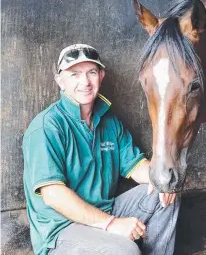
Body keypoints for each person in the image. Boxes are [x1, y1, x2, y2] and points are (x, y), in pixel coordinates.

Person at [23, 44, 180, 255]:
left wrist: (163, 179)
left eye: (92, 72)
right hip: (62, 230)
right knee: (125, 251)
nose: (85, 82)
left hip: (103, 211)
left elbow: (136, 166)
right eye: (75, 74)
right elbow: (54, 195)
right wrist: (111, 223)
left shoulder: (108, 119)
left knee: (164, 191)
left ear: (102, 76)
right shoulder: (46, 127)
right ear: (61, 81)